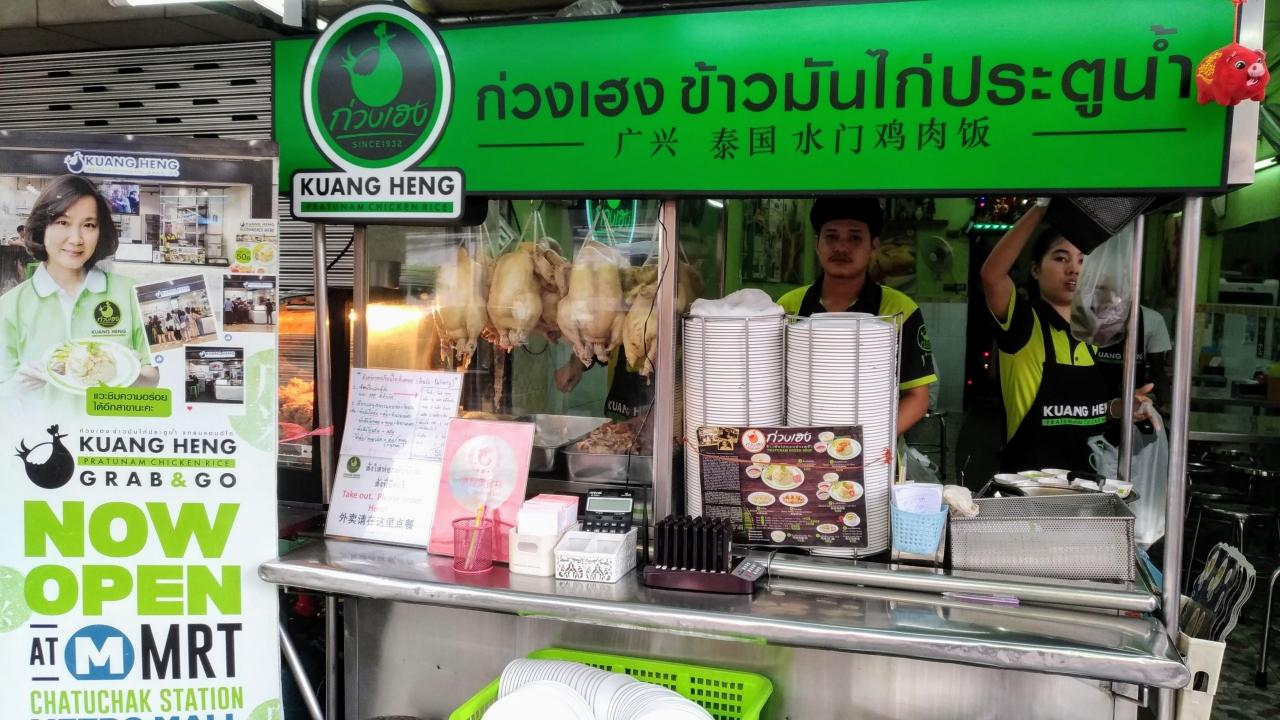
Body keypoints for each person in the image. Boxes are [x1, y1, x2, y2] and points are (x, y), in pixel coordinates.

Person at [979, 202, 1150, 474]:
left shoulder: (1095, 333)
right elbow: (991, 276)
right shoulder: (1023, 322)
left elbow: (1084, 413)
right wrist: (1041, 208)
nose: (1073, 269)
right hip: (1028, 486)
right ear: (1035, 270)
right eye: (1061, 258)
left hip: (1086, 485)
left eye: (1082, 261)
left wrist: (1120, 407)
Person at [776, 198, 938, 436]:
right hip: (803, 448)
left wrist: (871, 442)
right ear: (817, 244)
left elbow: (917, 397)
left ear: (873, 246)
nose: (841, 248)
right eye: (831, 237)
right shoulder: (787, 307)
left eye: (854, 238)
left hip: (874, 451)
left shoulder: (900, 310)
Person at [0, 174, 158, 406]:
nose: (76, 239)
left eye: (89, 225)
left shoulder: (131, 292)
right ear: (42, 228)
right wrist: (17, 385)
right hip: (41, 428)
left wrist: (130, 374)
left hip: (109, 427)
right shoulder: (9, 306)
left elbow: (152, 378)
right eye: (62, 223)